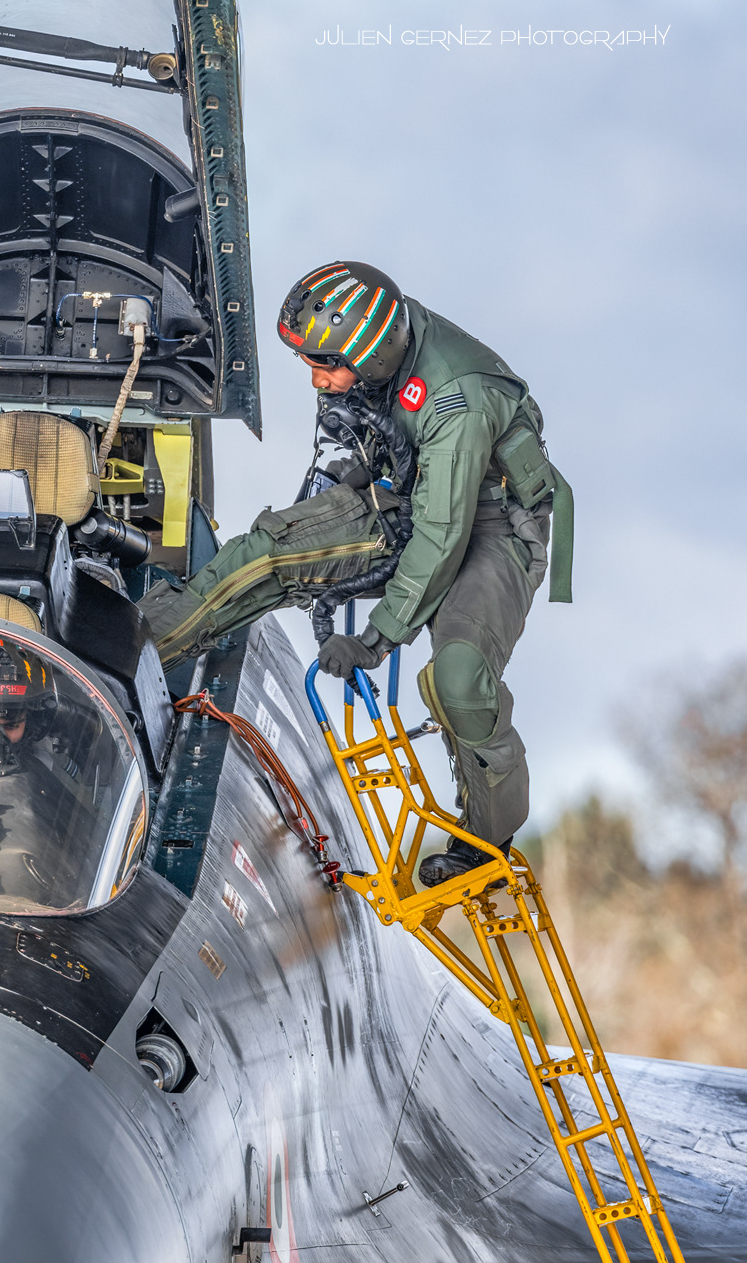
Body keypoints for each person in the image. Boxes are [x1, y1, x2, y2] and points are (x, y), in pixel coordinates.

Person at [140, 261, 572, 887]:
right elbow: (356, 466)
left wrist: (375, 640)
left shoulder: (458, 397)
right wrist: (319, 532)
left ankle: (487, 843)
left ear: (371, 352)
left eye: (325, 364)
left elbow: (443, 534)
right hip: (406, 493)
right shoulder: (368, 362)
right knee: (268, 552)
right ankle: (135, 651)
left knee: (460, 679)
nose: (316, 378)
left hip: (496, 526)